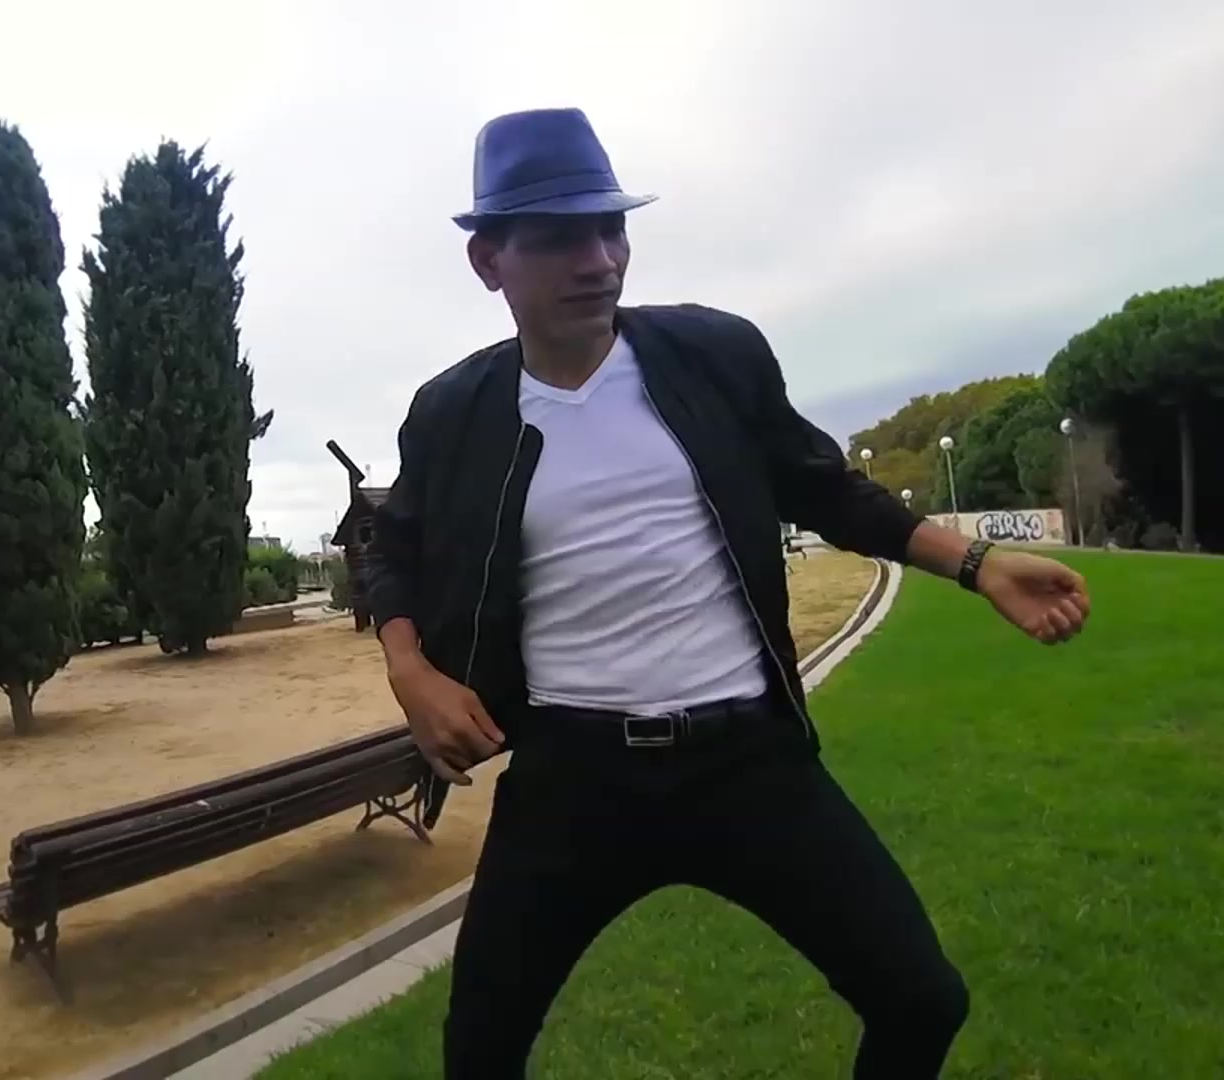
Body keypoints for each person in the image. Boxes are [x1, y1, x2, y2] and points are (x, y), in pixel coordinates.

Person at [366, 107, 1092, 1079]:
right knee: (478, 1057)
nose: (600, 260)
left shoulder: (713, 357)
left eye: (611, 228)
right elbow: (396, 552)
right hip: (572, 783)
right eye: (561, 237)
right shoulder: (452, 414)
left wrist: (978, 563)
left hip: (747, 765)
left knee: (923, 1000)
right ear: (489, 260)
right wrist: (410, 673)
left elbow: (826, 490)